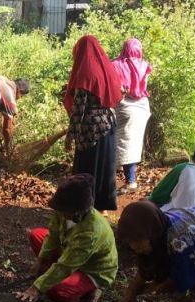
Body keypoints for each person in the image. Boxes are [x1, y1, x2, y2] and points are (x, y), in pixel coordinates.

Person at [17, 174, 118, 302]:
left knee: (57, 291)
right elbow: (52, 235)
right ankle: (52, 273)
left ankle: (91, 289)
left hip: (91, 270)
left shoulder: (91, 232)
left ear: (79, 210)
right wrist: (40, 261)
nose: (62, 214)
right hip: (69, 252)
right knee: (36, 235)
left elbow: (67, 265)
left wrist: (36, 288)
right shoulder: (62, 211)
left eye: (67, 211)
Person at [64, 35, 123, 214]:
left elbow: (79, 109)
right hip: (108, 124)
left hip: (90, 128)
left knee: (87, 167)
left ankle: (85, 206)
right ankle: (103, 206)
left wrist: (70, 135)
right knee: (105, 164)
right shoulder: (107, 69)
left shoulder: (85, 73)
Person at [112, 38, 153, 193]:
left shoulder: (115, 65)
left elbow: (115, 87)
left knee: (121, 143)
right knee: (132, 144)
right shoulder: (145, 65)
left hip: (123, 106)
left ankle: (125, 182)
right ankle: (130, 180)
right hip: (142, 107)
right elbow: (143, 87)